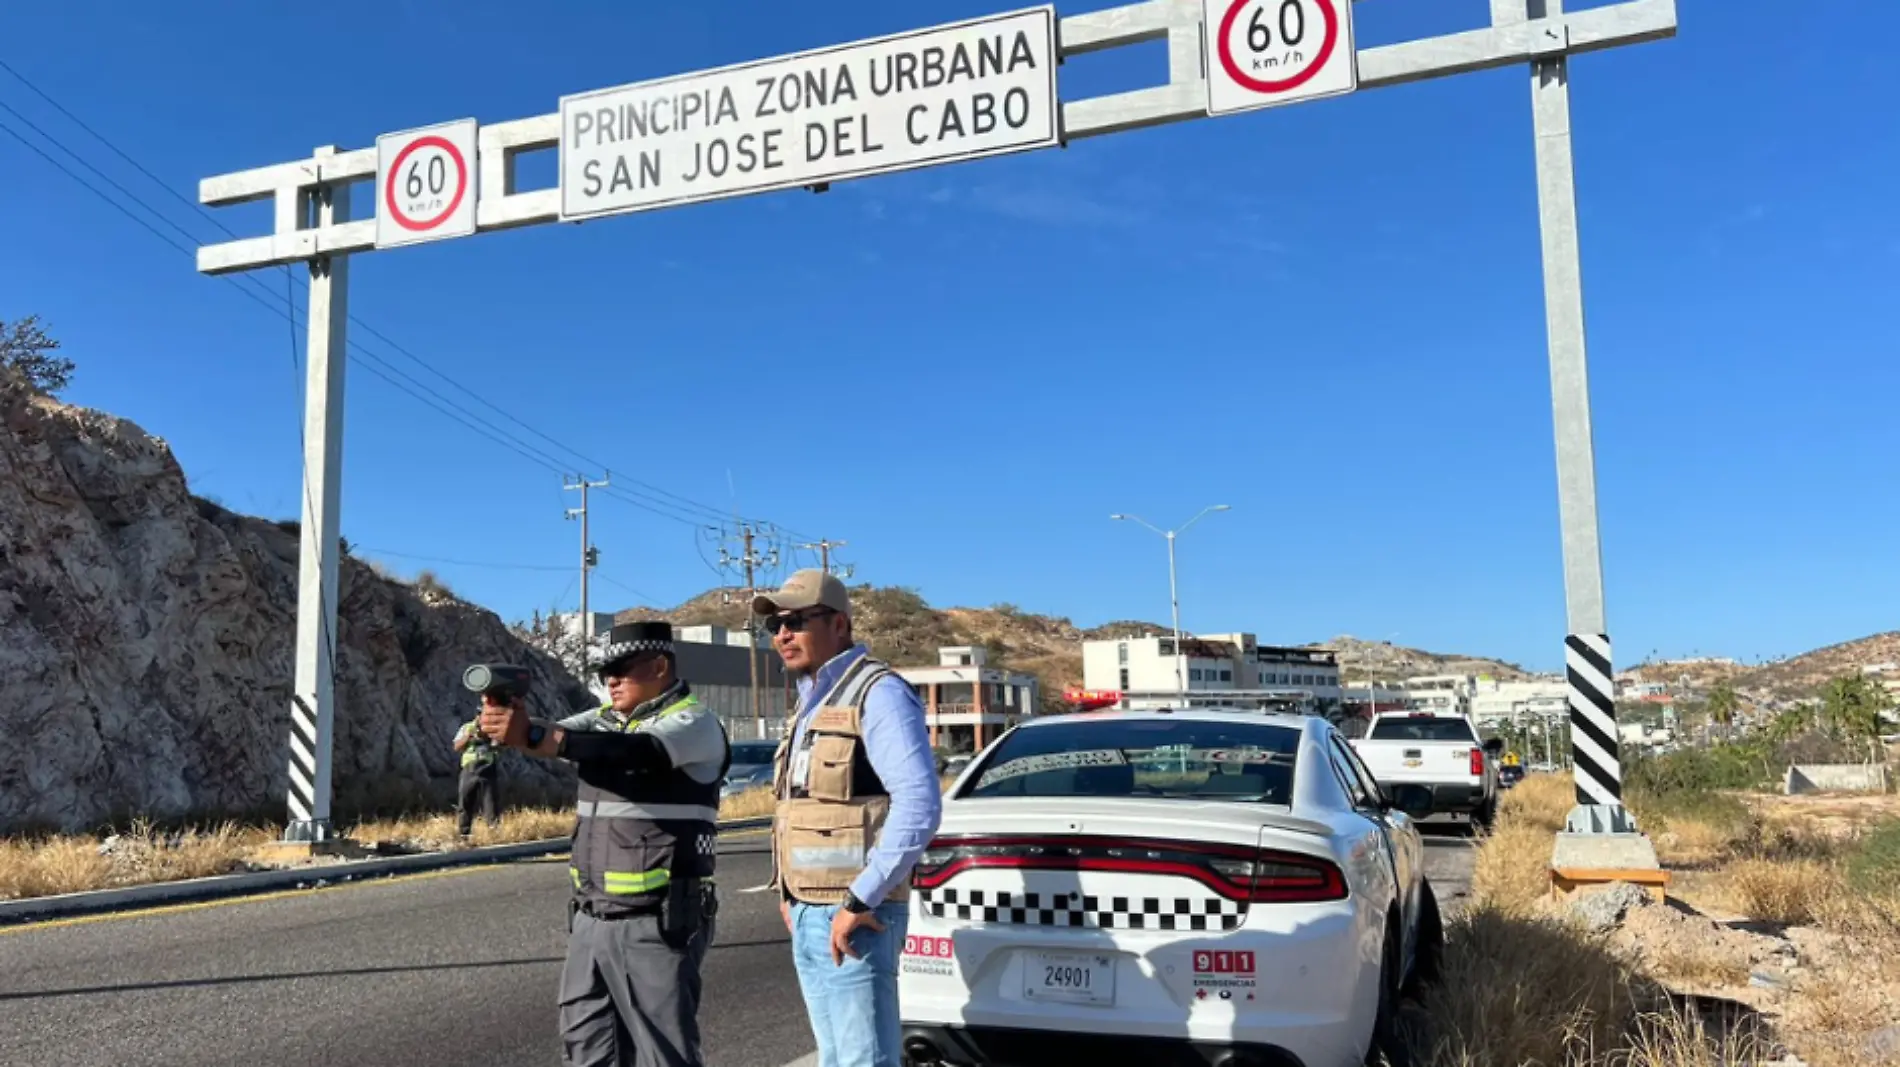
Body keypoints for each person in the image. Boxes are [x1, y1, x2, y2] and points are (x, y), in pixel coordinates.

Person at [478, 622, 730, 1067]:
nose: (609, 681)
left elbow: (633, 751)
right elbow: (559, 734)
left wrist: (538, 737)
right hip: (591, 918)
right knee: (588, 1050)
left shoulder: (693, 721)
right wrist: (506, 722)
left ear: (659, 665)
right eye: (602, 673)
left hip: (656, 922)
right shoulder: (604, 721)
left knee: (663, 1055)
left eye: (620, 669)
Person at [755, 570, 943, 1067]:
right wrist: (788, 893)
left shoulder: (877, 693)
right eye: (774, 625)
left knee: (865, 1060)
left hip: (858, 913)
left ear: (839, 624)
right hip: (808, 909)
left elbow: (919, 804)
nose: (782, 636)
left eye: (795, 621)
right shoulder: (810, 704)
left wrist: (861, 898)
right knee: (836, 1058)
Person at [451, 708, 504, 837]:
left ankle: (493, 834)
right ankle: (464, 834)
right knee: (465, 802)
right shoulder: (467, 727)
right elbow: (456, 746)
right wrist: (468, 737)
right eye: (482, 715)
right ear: (477, 716)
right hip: (469, 768)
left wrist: (490, 740)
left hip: (488, 768)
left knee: (490, 803)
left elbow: (501, 747)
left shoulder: (494, 729)